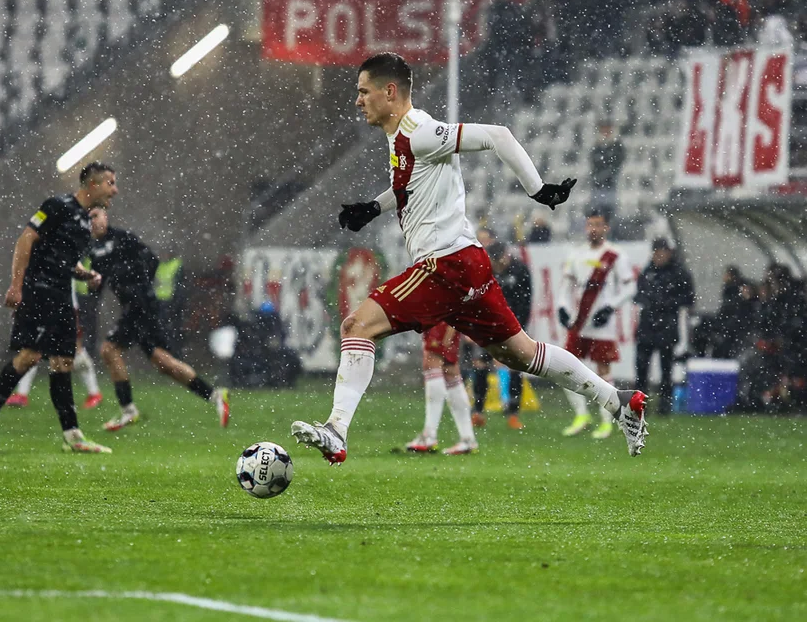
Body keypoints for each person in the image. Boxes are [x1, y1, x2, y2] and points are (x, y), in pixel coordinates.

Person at [290, 53, 648, 465]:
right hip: (467, 264)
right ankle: (619, 400)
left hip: (444, 265)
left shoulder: (420, 131)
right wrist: (372, 208)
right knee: (521, 354)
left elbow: (498, 135)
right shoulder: (401, 138)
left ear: (389, 92)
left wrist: (538, 190)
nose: (358, 101)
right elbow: (412, 187)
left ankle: (336, 429)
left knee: (357, 325)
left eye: (363, 91)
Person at [0, 162, 116, 454]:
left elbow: (66, 260)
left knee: (63, 362)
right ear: (92, 185)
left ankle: (72, 435)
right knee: (29, 357)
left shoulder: (82, 219)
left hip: (62, 294)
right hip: (39, 291)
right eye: (110, 183)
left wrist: (86, 274)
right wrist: (16, 285)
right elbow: (26, 238)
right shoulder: (57, 206)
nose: (115, 189)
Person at [87, 206, 230, 431]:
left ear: (106, 216)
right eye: (89, 217)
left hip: (141, 306)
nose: (93, 221)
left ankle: (128, 410)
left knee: (109, 350)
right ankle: (214, 395)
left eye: (96, 215)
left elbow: (151, 261)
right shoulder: (93, 250)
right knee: (164, 363)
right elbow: (98, 282)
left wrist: (138, 286)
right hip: (135, 308)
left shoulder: (122, 238)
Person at [556, 209, 637, 439]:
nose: (594, 229)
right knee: (565, 368)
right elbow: (566, 285)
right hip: (579, 322)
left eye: (598, 224)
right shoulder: (577, 254)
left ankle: (606, 421)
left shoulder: (614, 255)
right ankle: (581, 415)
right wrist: (562, 306)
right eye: (590, 224)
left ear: (606, 227)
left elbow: (630, 287)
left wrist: (610, 306)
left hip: (602, 324)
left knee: (603, 371)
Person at [5, 264, 104, 409]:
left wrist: (89, 276)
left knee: (73, 351)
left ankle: (93, 393)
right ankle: (22, 394)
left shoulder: (64, 245)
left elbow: (74, 264)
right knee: (31, 348)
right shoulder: (34, 245)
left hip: (65, 307)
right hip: (39, 305)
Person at [472, 242, 532, 430]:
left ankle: (513, 413)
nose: (499, 266)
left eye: (501, 261)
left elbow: (526, 302)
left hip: (513, 327)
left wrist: (518, 329)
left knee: (515, 366)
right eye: (495, 262)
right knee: (481, 364)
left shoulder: (521, 270)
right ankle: (478, 411)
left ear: (507, 255)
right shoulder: (485, 271)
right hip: (488, 325)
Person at [634, 238, 695, 414]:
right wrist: (648, 301)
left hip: (666, 327)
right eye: (656, 252)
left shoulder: (679, 273)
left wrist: (667, 303)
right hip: (647, 326)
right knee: (641, 368)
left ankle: (664, 406)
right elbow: (639, 294)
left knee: (666, 369)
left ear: (669, 253)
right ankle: (639, 406)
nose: (659, 256)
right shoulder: (648, 271)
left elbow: (688, 297)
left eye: (662, 252)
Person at [400, 323, 479, 455]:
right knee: (450, 371)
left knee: (432, 361)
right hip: (445, 314)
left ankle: (429, 436)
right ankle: (467, 439)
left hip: (441, 314)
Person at [589, 120, 624, 219]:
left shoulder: (617, 146)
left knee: (611, 212)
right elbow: (594, 162)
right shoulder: (597, 146)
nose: (605, 133)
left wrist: (607, 173)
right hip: (598, 185)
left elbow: (617, 163)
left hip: (611, 184)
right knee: (596, 211)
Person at [154, 249, 186, 357]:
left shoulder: (176, 265)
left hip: (171, 302)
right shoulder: (161, 266)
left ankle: (175, 355)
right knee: (163, 330)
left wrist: (176, 303)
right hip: (161, 301)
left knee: (173, 330)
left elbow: (179, 286)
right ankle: (167, 355)